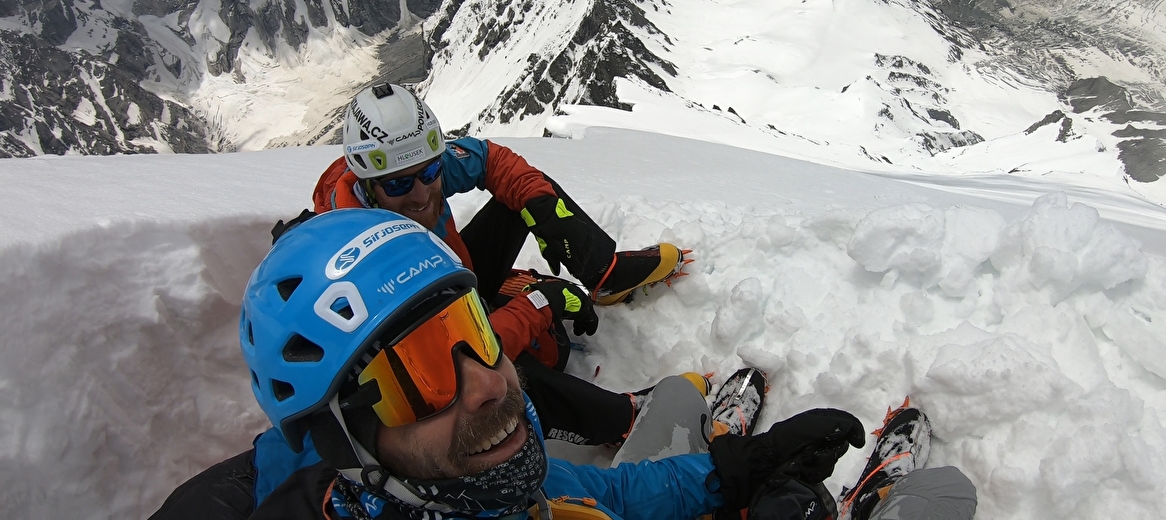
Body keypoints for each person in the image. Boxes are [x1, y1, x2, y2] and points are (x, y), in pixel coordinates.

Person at [153, 210, 978, 520]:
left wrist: (728, 470)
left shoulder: (456, 483)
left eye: (473, 327)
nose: (489, 378)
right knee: (945, 501)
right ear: (341, 438)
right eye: (421, 372)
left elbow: (588, 488)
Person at [301, 82, 692, 448]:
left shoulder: (405, 169)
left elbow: (492, 161)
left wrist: (541, 206)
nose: (420, 195)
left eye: (429, 173)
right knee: (495, 373)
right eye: (400, 185)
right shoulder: (360, 253)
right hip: (425, 364)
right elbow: (456, 356)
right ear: (368, 183)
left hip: (452, 282)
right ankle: (627, 420)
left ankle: (604, 273)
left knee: (525, 198)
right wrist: (539, 303)